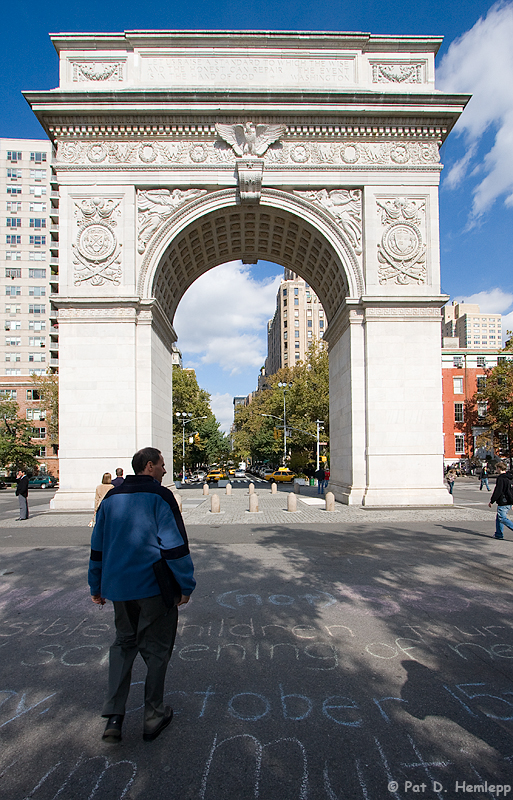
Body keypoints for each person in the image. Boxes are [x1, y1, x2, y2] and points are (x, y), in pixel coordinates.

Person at [88, 447, 195, 744]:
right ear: (149, 466)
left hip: (119, 588)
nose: (164, 470)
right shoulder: (160, 497)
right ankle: (153, 714)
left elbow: (97, 546)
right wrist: (186, 585)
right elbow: (174, 547)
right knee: (157, 650)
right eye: (162, 465)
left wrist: (95, 586)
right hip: (154, 587)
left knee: (123, 645)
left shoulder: (110, 499)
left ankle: (114, 716)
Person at [488, 463, 513, 540]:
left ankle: (499, 533)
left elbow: (498, 490)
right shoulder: (510, 477)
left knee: (502, 518)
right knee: (499, 518)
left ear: (499, 468)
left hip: (503, 500)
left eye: (496, 468)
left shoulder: (501, 478)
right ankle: (498, 533)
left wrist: (492, 501)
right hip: (510, 500)